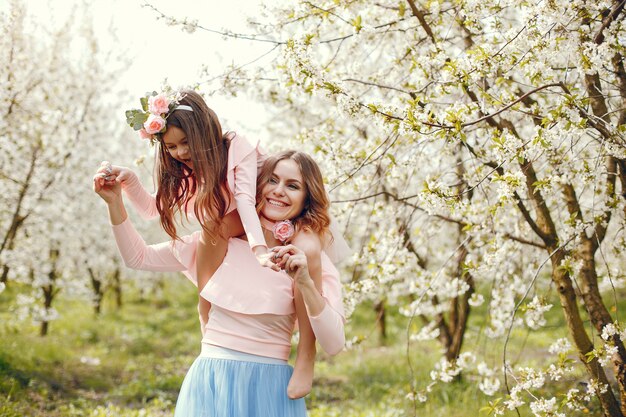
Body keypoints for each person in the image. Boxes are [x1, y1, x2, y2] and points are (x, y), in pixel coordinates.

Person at [94, 150, 345, 416]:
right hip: (212, 379)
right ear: (258, 186)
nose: (279, 191)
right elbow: (138, 257)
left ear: (308, 198)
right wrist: (114, 202)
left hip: (269, 388)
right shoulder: (220, 241)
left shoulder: (306, 257)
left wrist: (305, 282)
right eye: (272, 180)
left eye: (292, 186)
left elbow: (334, 343)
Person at [95, 88, 277, 338]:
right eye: (170, 146)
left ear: (202, 133)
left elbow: (245, 199)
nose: (180, 153)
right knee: (209, 236)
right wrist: (127, 184)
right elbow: (150, 211)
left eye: (185, 142)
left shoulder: (235, 147)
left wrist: (260, 251)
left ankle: (206, 306)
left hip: (264, 218)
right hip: (224, 234)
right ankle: (207, 324)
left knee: (214, 227)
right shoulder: (190, 175)